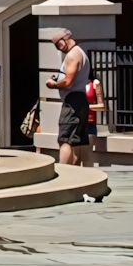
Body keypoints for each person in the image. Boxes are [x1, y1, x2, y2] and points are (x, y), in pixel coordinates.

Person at [45, 29, 90, 167]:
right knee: (76, 140)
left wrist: (52, 84)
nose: (59, 47)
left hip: (72, 102)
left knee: (64, 139)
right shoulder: (81, 53)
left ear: (65, 39)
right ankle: (75, 175)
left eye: (59, 43)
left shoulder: (72, 55)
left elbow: (68, 82)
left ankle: (63, 172)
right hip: (81, 101)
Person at [84, 74, 106, 167]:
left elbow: (102, 106)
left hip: (89, 124)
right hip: (76, 123)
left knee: (87, 156)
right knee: (75, 156)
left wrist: (85, 107)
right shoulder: (75, 82)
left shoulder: (94, 84)